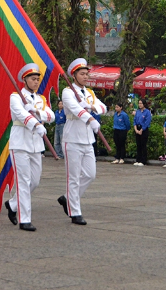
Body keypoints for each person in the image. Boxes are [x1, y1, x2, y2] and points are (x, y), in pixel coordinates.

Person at [4, 63, 55, 232]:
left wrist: (37, 112)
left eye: (38, 79)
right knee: (24, 182)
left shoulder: (40, 99)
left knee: (35, 181)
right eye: (33, 79)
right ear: (24, 80)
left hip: (35, 145)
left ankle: (12, 205)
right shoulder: (16, 97)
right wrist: (35, 124)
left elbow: (51, 115)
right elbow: (20, 113)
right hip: (20, 142)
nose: (36, 82)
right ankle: (24, 219)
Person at [58, 58, 106, 226]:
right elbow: (76, 110)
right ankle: (75, 212)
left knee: (90, 174)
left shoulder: (90, 93)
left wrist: (91, 107)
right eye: (82, 74)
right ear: (74, 75)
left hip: (87, 139)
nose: (86, 77)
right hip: (72, 138)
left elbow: (103, 107)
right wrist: (90, 117)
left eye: (87, 74)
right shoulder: (68, 92)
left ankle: (67, 198)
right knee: (73, 178)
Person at [132, 99, 152, 166]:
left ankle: (143, 161)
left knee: (143, 145)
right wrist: (136, 130)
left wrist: (141, 130)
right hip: (137, 128)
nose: (140, 104)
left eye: (141, 103)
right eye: (139, 103)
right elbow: (134, 121)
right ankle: (138, 159)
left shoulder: (147, 112)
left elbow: (147, 122)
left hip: (144, 129)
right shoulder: (137, 112)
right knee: (138, 145)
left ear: (144, 104)